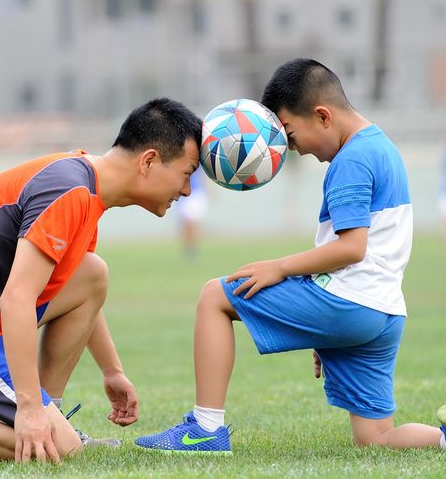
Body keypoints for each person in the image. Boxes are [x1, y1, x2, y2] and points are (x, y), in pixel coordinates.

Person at [134, 59, 446, 454]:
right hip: (384, 312)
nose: (292, 149)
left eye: (292, 135)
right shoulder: (382, 147)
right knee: (375, 437)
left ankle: (205, 429)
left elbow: (352, 248)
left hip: (348, 303)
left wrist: (280, 268)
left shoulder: (351, 161)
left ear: (323, 116)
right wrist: (325, 330)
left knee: (215, 296)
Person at [0, 98, 202, 463]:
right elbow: (17, 299)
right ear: (148, 161)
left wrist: (112, 371)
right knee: (60, 450)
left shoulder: (86, 187)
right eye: (186, 173)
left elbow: (76, 288)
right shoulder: (69, 190)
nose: (187, 190)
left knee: (92, 272)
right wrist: (27, 408)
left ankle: (50, 415)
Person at [173, 169, 209, 260]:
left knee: (193, 223)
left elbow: (203, 176)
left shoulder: (198, 164)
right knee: (185, 224)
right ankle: (188, 248)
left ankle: (192, 248)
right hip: (183, 195)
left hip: (196, 193)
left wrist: (209, 190)